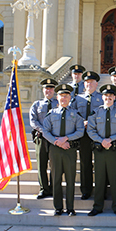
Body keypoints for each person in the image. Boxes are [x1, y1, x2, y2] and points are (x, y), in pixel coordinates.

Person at [42, 84, 84, 216]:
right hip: (55, 150)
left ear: (70, 97)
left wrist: (66, 138)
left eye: (66, 96)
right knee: (56, 178)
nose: (63, 98)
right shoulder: (51, 113)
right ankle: (58, 207)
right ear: (57, 97)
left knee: (70, 178)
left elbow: (80, 131)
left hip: (69, 149)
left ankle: (70, 208)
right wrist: (57, 142)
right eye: (61, 96)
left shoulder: (75, 114)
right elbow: (45, 131)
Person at [87, 84, 116, 217]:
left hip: (114, 151)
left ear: (115, 97)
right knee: (99, 179)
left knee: (115, 179)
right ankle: (97, 206)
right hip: (99, 151)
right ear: (102, 97)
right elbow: (90, 130)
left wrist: (111, 140)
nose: (108, 98)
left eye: (111, 96)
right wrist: (101, 140)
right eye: (106, 96)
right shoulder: (95, 113)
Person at [70, 71, 103, 200]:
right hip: (83, 135)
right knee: (85, 162)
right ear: (84, 84)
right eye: (87, 82)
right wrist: (80, 121)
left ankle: (101, 189)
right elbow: (72, 113)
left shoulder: (102, 98)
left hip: (99, 134)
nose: (89, 84)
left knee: (100, 163)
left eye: (91, 82)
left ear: (96, 84)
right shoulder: (78, 98)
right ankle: (86, 190)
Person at [29, 78, 58, 199]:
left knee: (55, 165)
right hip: (41, 138)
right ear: (43, 90)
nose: (49, 90)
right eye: (46, 88)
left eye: (51, 88)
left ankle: (54, 188)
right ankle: (44, 189)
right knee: (41, 164)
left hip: (55, 139)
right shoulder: (37, 104)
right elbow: (33, 121)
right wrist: (44, 131)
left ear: (54, 90)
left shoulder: (59, 103)